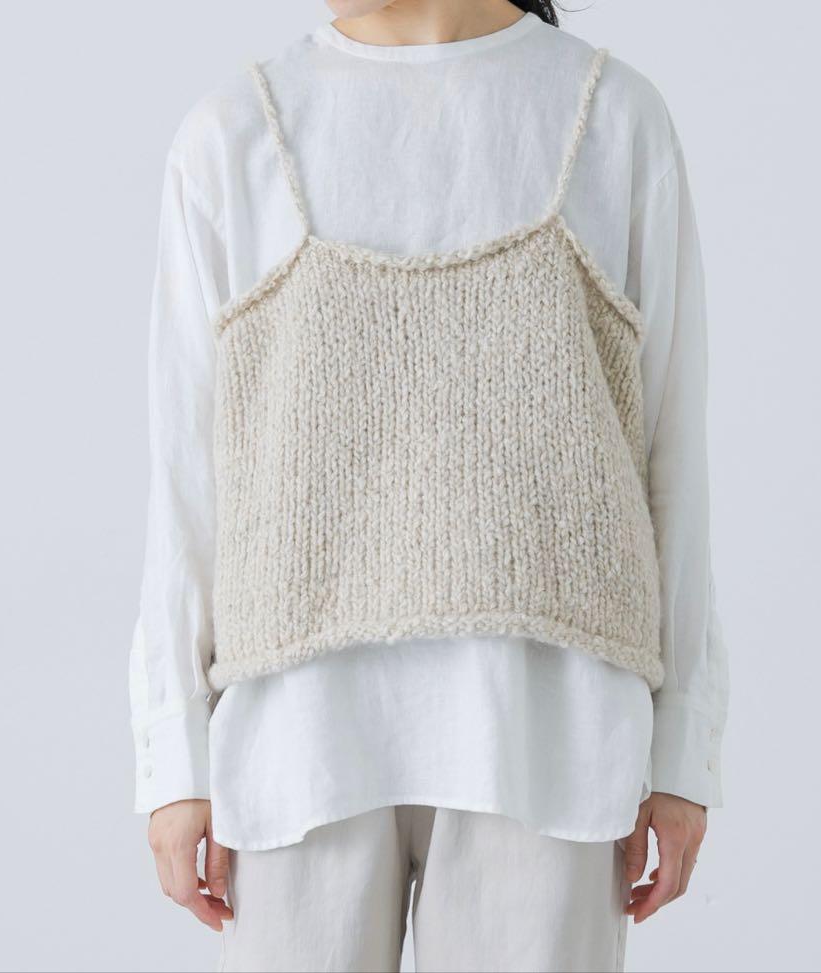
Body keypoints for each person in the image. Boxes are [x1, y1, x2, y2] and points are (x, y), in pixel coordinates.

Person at [130, 1, 728, 969]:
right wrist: (173, 752)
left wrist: (684, 744)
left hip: (550, 736)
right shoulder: (232, 134)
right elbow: (187, 482)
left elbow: (673, 457)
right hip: (298, 743)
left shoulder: (613, 117)